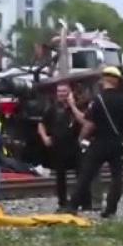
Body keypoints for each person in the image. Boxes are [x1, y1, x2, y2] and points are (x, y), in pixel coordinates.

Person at [68, 66, 123, 218]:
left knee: (86, 174)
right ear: (117, 81)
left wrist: (81, 138)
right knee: (117, 177)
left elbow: (89, 124)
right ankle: (110, 210)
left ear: (105, 79)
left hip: (100, 142)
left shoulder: (98, 100)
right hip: (118, 143)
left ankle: (72, 206)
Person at [38, 81, 88, 212]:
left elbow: (83, 121)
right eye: (59, 91)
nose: (61, 94)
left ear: (70, 92)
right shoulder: (52, 108)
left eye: (64, 91)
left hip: (74, 145)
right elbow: (41, 124)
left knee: (81, 174)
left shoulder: (77, 106)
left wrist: (72, 105)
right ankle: (63, 202)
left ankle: (82, 201)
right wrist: (45, 137)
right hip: (58, 146)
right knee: (60, 177)